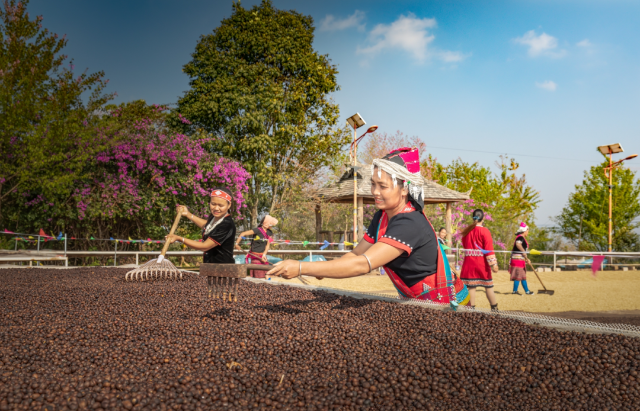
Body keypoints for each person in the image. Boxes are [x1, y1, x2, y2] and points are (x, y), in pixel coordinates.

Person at [268, 147, 469, 306]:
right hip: (417, 302)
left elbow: (363, 264)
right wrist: (321, 269)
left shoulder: (410, 223)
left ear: (405, 189)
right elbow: (355, 255)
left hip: (445, 304)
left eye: (383, 186)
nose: (375, 191)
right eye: (373, 184)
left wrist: (302, 267)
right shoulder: (381, 217)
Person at [165, 187, 236, 264]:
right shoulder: (214, 217)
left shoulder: (227, 224)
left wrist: (179, 238)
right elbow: (208, 226)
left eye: (221, 205)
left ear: (229, 205)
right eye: (213, 204)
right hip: (210, 267)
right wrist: (188, 214)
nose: (216, 208)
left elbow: (204, 246)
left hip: (222, 269)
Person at [459, 209, 499, 311]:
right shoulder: (485, 231)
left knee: (472, 286)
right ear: (483, 218)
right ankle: (494, 309)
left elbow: (465, 246)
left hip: (469, 262)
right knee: (488, 286)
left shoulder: (467, 231)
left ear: (473, 218)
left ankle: (471, 310)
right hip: (481, 263)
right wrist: (493, 264)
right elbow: (489, 248)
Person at [509, 222, 533, 295]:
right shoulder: (520, 237)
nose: (528, 233)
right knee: (518, 276)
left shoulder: (522, 238)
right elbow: (518, 244)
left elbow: (523, 251)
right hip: (517, 260)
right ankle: (515, 291)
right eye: (527, 231)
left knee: (522, 276)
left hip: (520, 259)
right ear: (525, 230)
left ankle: (527, 291)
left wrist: (526, 259)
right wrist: (524, 252)